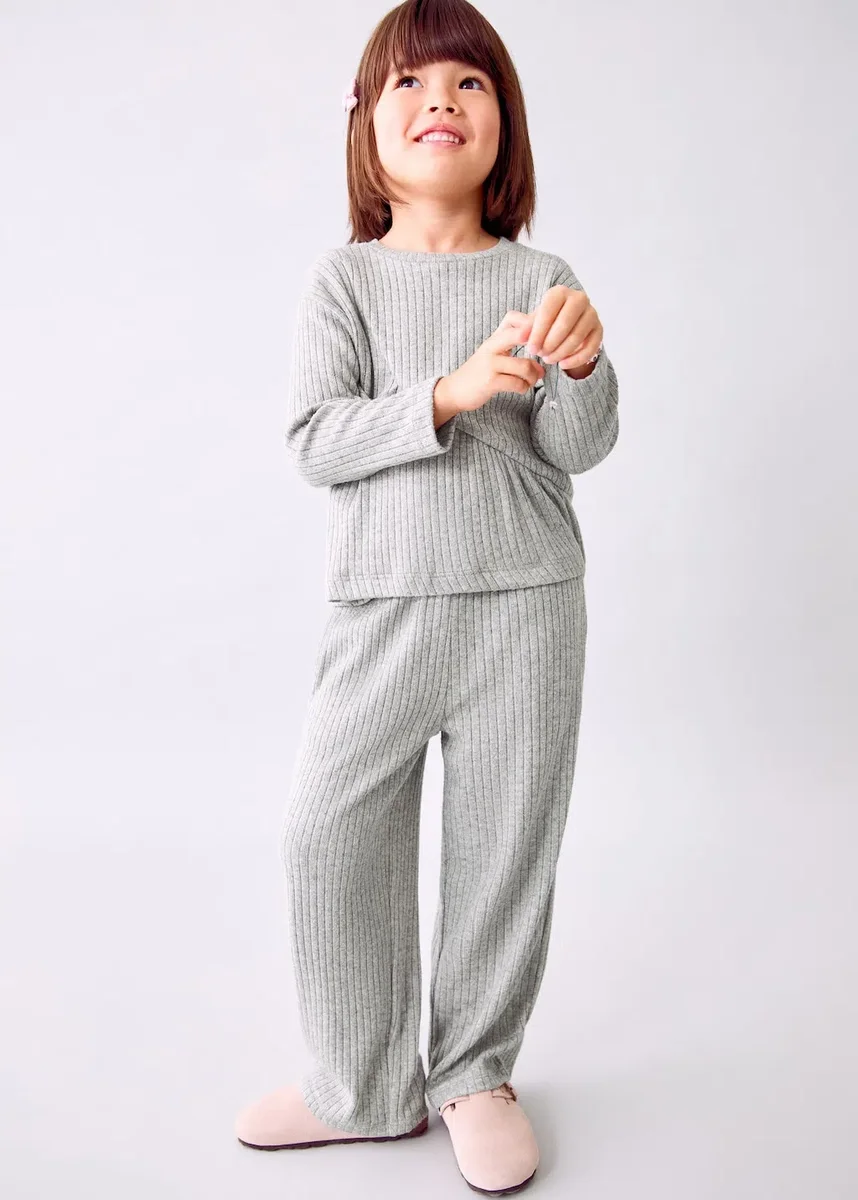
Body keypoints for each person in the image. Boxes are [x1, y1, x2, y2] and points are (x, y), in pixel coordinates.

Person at [235, 0, 619, 1192]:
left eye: (468, 82)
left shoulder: (542, 275)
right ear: (366, 122)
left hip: (527, 606)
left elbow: (580, 447)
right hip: (384, 608)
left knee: (505, 851)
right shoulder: (344, 280)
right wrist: (445, 396)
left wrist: (585, 367)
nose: (439, 100)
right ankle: (359, 1085)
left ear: (506, 122)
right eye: (409, 82)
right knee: (328, 832)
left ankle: (475, 1073)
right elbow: (314, 441)